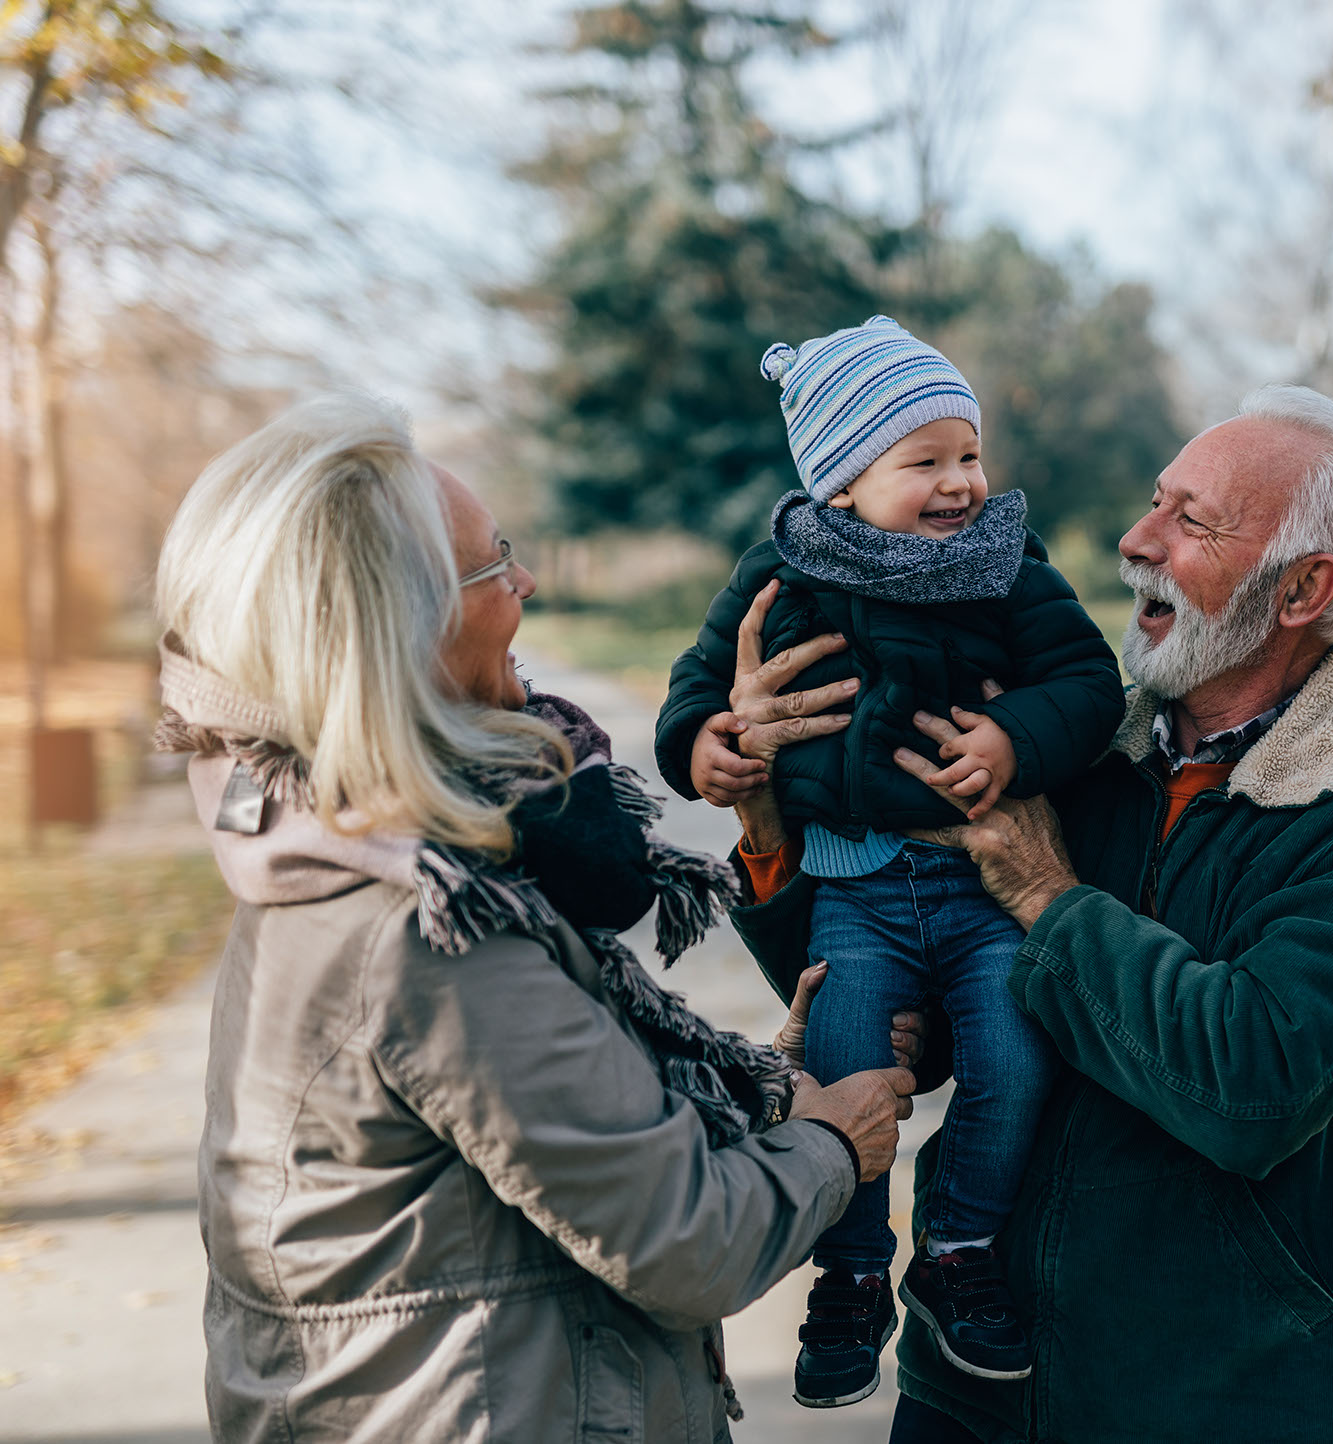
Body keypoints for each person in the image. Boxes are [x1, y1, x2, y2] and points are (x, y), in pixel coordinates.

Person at [705, 384, 1333, 1443]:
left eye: (1192, 522)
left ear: (1305, 587)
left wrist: (1046, 895)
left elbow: (1248, 1086)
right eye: (1155, 502)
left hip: (1226, 1398)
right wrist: (768, 809)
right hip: (974, 1381)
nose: (1137, 541)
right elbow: (912, 1013)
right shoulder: (1064, 753)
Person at [155, 392, 919, 1443]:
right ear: (397, 629)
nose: (524, 581)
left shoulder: (326, 838)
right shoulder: (424, 927)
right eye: (490, 568)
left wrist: (760, 1083)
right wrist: (835, 1144)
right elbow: (685, 1238)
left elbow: (559, 1127)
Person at [654, 316, 1125, 1410]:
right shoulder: (784, 571)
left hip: (979, 888)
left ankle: (956, 1249)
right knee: (849, 1076)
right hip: (853, 893)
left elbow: (1085, 683)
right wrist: (706, 744)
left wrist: (1015, 742)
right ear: (843, 480)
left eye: (970, 455)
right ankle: (853, 1269)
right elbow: (697, 684)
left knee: (1014, 1059)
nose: (961, 483)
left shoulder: (1006, 565)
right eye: (925, 462)